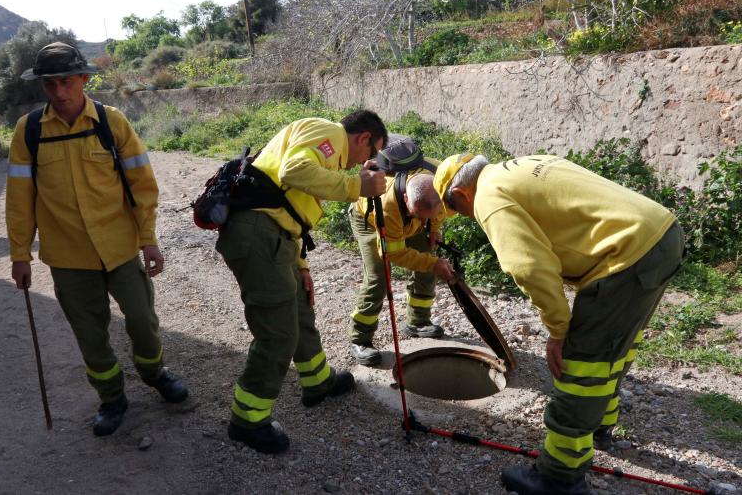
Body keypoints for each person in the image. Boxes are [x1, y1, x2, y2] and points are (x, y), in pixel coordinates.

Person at [433, 153, 684, 495]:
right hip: (660, 235)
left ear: (462, 195)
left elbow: (529, 268)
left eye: (460, 210)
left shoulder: (489, 196)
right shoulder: (522, 165)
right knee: (614, 345)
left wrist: (559, 332)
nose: (469, 216)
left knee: (581, 366)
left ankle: (558, 477)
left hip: (626, 255)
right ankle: (598, 426)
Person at [6, 42, 188, 438]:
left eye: (66, 81)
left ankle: (155, 374)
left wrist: (148, 239)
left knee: (142, 321)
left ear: (84, 79)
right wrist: (19, 254)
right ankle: (111, 397)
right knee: (90, 335)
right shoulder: (30, 131)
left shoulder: (111, 122)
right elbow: (20, 198)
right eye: (49, 84)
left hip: (120, 248)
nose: (58, 91)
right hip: (68, 257)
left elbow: (143, 185)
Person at [216, 111, 388, 454]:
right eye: (369, 155)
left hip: (276, 239)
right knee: (278, 332)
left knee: (299, 311)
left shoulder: (325, 148)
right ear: (362, 138)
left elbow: (286, 204)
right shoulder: (328, 135)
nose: (365, 163)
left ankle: (317, 382)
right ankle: (247, 420)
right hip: (259, 238)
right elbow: (293, 171)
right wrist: (359, 186)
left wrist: (301, 264)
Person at [348, 168, 456, 366]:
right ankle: (360, 339)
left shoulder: (439, 183)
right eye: (421, 216)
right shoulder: (387, 205)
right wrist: (434, 264)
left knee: (426, 258)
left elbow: (437, 212)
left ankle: (418, 321)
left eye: (426, 218)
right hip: (372, 219)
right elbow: (395, 254)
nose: (423, 221)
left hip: (409, 215)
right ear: (406, 198)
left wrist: (432, 228)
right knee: (379, 278)